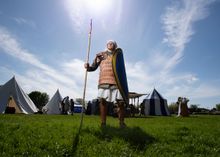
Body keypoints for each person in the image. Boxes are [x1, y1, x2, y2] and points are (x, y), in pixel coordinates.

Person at [84, 40, 126, 128]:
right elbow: (93, 67)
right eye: (109, 43)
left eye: (112, 43)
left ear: (115, 45)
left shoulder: (118, 55)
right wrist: (88, 67)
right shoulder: (101, 54)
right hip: (104, 80)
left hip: (117, 81)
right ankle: (103, 123)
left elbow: (121, 69)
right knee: (103, 102)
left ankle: (121, 123)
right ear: (106, 45)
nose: (110, 44)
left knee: (121, 102)